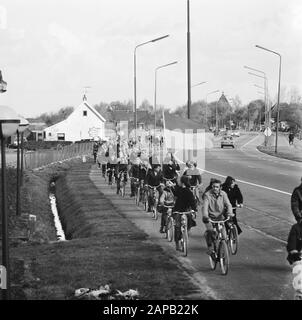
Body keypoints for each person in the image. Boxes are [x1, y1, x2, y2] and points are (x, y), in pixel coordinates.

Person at [202, 179, 234, 255]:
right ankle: (210, 247)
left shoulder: (223, 194)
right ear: (211, 186)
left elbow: (228, 204)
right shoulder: (207, 195)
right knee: (211, 232)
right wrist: (206, 216)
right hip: (210, 217)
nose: (215, 188)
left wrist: (229, 213)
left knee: (224, 236)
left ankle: (223, 251)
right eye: (213, 186)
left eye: (217, 187)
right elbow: (205, 207)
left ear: (220, 187)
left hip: (220, 217)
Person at [172, 175, 197, 250]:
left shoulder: (188, 191)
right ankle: (177, 242)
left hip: (185, 210)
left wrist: (194, 209)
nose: (178, 182)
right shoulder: (179, 189)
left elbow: (192, 201)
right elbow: (175, 194)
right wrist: (172, 187)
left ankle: (186, 233)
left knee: (189, 222)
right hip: (178, 210)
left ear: (182, 182)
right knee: (177, 227)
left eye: (180, 181)